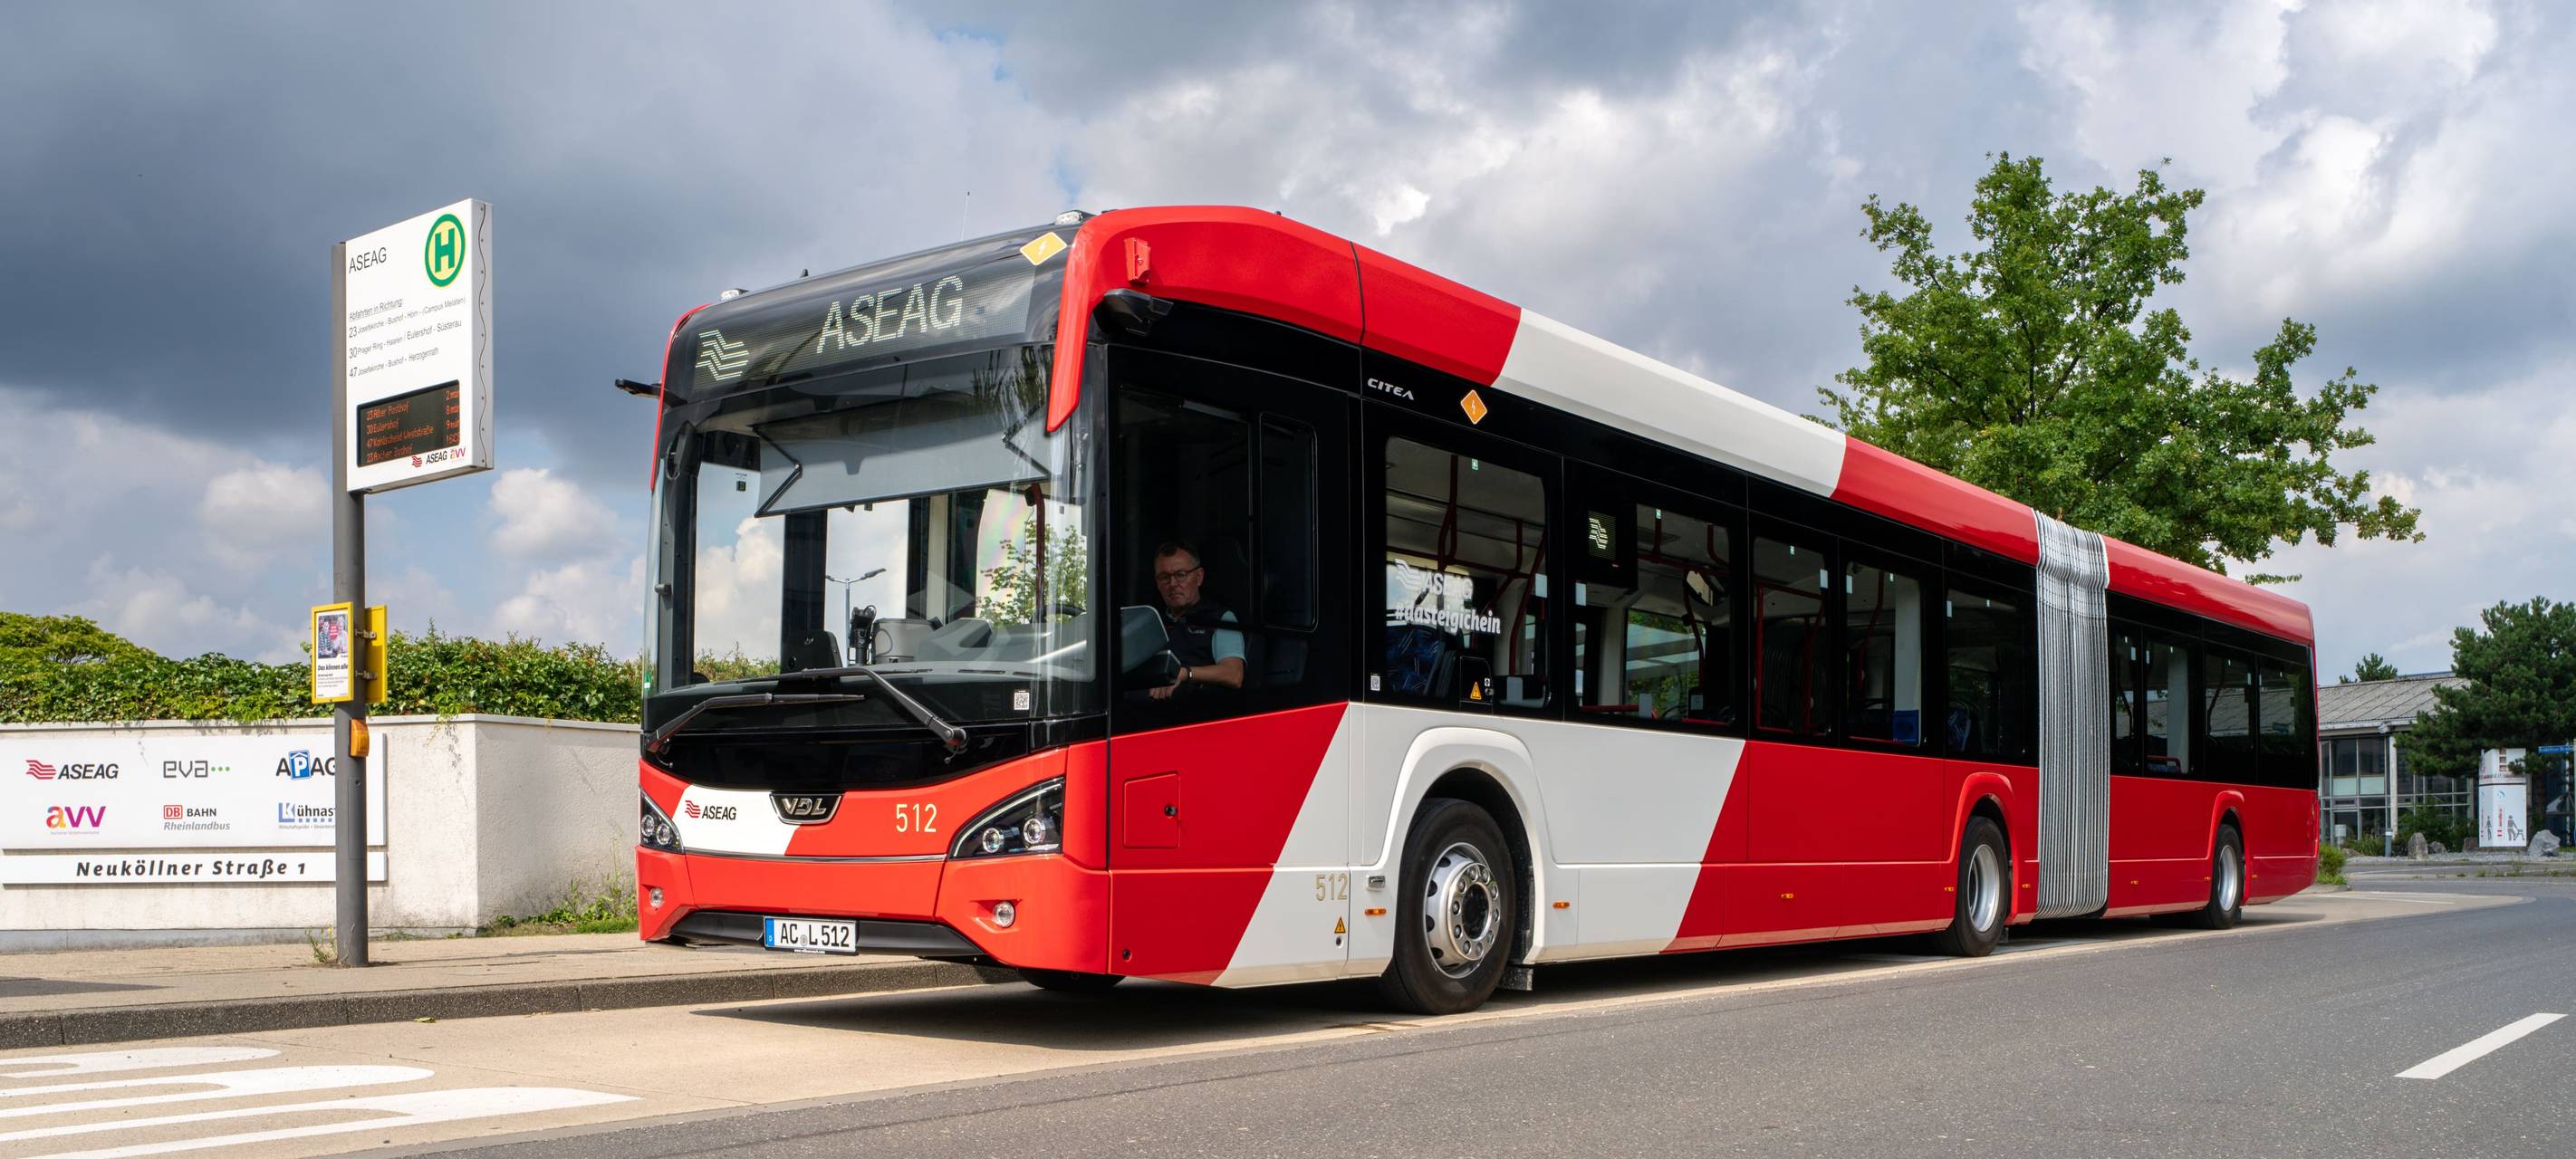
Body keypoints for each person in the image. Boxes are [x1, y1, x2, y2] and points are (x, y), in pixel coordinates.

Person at [1148, 541, 1245, 700]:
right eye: (1165, 577)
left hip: (1197, 710)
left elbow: (1234, 675)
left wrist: (1186, 673)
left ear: (1199, 577)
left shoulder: (1220, 618)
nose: (1172, 584)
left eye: (1180, 575)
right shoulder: (1149, 621)